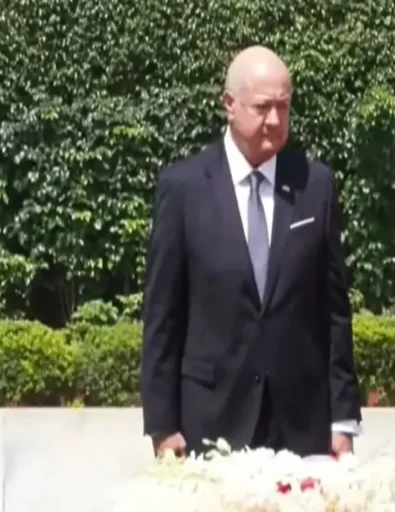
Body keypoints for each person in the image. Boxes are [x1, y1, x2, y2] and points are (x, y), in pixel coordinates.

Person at [140, 45, 362, 460]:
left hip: (301, 425)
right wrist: (162, 426)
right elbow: (162, 316)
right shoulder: (184, 189)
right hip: (208, 423)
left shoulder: (314, 186)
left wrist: (343, 419)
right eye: (262, 107)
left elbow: (334, 313)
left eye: (284, 106)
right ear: (229, 104)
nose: (275, 120)